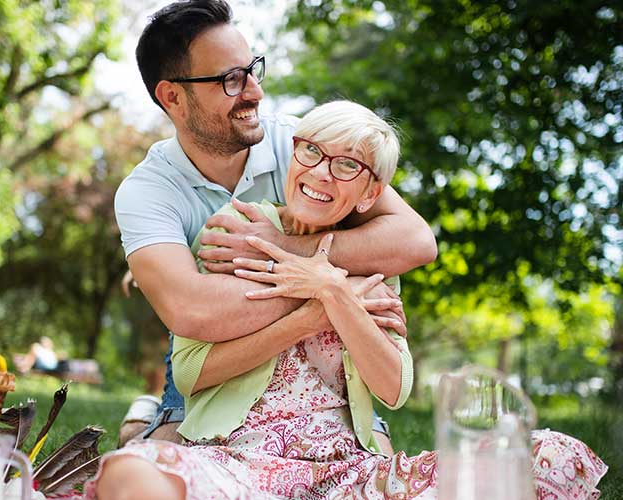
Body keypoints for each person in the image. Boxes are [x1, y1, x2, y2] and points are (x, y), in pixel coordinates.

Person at [88, 100, 607, 500]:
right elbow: (189, 375)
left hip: (350, 473)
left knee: (554, 455)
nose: (320, 172)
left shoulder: (374, 257)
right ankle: (146, 423)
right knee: (132, 472)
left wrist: (334, 289)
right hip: (243, 462)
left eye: (346, 166)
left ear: (370, 194)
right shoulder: (237, 230)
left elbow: (394, 389)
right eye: (311, 151)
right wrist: (309, 313)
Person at [115, 0, 437, 453]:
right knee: (154, 459)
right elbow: (193, 312)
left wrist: (287, 248)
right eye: (230, 79)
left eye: (252, 70)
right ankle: (144, 420)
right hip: (220, 353)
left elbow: (415, 241)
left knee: (375, 465)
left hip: (327, 370)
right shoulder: (146, 192)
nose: (255, 92)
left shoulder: (304, 145)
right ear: (172, 97)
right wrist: (332, 293)